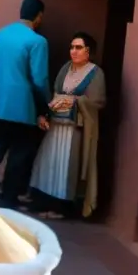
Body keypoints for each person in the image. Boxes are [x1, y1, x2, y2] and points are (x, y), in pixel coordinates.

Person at [29, 32, 106, 220]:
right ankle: (42, 203)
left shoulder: (95, 73)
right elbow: (56, 92)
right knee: (48, 165)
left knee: (66, 168)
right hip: (56, 127)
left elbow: (98, 101)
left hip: (75, 130)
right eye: (72, 47)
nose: (74, 51)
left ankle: (61, 208)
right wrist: (49, 110)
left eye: (78, 47)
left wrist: (75, 102)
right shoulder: (66, 68)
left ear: (89, 51)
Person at [0, 0, 51, 208]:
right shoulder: (37, 41)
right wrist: (46, 104)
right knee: (20, 152)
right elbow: (39, 79)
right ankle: (8, 196)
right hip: (22, 106)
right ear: (39, 16)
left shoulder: (1, 35)